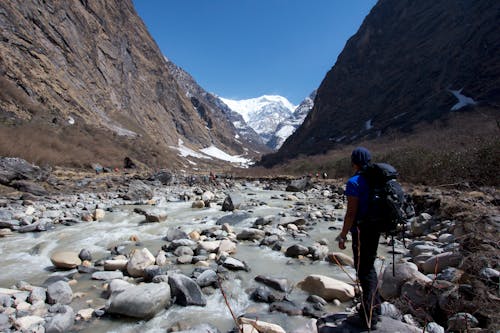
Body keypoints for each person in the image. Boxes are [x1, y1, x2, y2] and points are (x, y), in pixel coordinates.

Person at [337, 147, 381, 329]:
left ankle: (368, 316)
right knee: (369, 267)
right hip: (376, 229)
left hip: (361, 231)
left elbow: (351, 213)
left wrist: (342, 235)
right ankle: (376, 308)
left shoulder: (354, 182)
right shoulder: (377, 180)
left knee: (364, 271)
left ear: (354, 163)